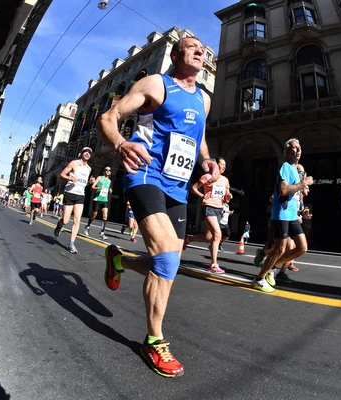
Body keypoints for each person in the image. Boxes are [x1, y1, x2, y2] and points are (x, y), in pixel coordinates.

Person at [98, 36, 219, 378]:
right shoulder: (155, 84)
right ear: (178, 54)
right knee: (166, 255)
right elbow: (109, 117)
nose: (202, 51)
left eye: (204, 50)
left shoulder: (204, 100)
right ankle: (154, 340)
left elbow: (200, 135)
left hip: (178, 188)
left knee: (169, 262)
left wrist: (207, 160)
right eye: (194, 46)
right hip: (145, 174)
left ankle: (118, 259)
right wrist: (121, 143)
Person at [253, 139, 313, 293]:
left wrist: (302, 212)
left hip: (292, 216)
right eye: (293, 148)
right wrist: (303, 183)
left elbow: (292, 197)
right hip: (281, 215)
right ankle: (259, 278)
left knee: (302, 248)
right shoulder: (286, 167)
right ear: (287, 152)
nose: (297, 150)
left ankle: (271, 267)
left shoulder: (295, 171)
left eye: (299, 147)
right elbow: (283, 190)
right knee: (280, 249)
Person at [186, 156, 232, 273]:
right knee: (218, 235)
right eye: (222, 164)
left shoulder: (225, 180)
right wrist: (202, 196)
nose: (224, 167)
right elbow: (193, 188)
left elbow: (226, 198)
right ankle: (213, 264)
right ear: (215, 164)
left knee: (208, 238)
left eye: (225, 165)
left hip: (219, 209)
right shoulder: (207, 176)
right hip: (208, 207)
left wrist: (228, 197)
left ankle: (188, 238)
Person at [54, 147, 92, 254]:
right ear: (82, 153)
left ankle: (71, 243)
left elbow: (84, 182)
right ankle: (59, 225)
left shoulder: (89, 168)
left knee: (77, 220)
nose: (88, 154)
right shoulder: (74, 163)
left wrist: (90, 182)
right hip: (70, 193)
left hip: (80, 195)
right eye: (86, 152)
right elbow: (61, 175)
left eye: (89, 153)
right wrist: (70, 178)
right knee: (65, 220)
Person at [85, 166, 112, 240]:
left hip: (104, 200)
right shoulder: (100, 178)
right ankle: (87, 226)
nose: (107, 171)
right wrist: (99, 188)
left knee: (105, 216)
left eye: (109, 170)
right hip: (97, 199)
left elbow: (107, 187)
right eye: (106, 170)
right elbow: (92, 187)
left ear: (110, 172)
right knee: (94, 215)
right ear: (104, 171)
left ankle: (102, 233)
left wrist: (110, 189)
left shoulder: (109, 181)